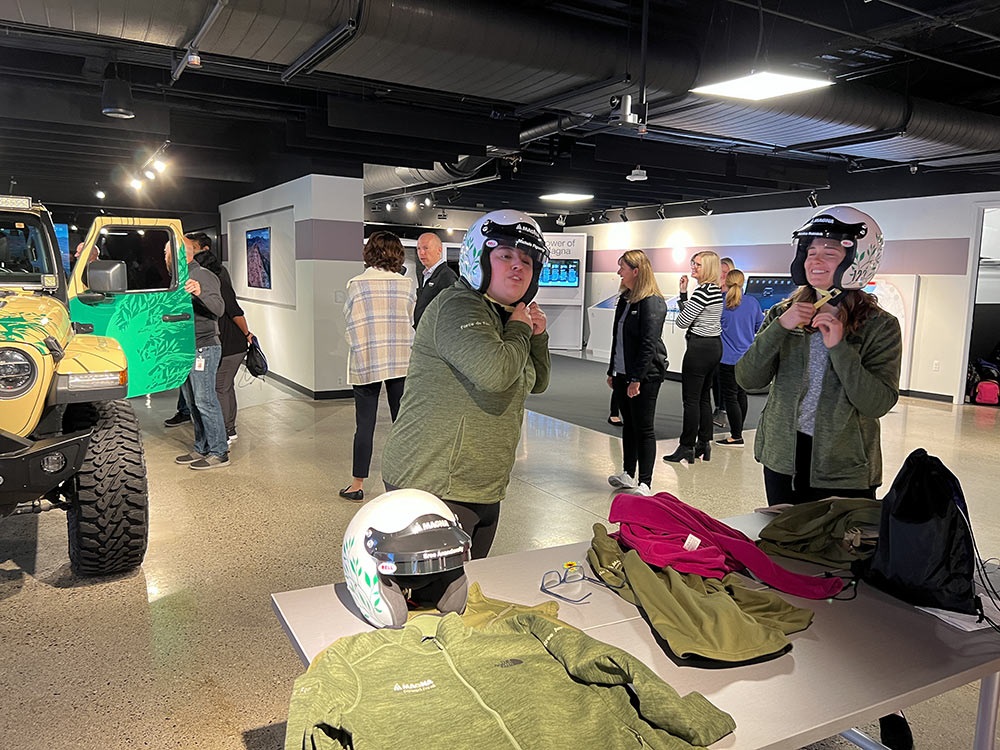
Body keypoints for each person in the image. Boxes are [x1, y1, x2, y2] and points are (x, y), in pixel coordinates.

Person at [735, 205, 907, 749]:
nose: (817, 260)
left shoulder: (880, 326)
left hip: (844, 472)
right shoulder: (787, 311)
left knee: (854, 593)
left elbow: (876, 402)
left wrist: (840, 348)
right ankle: (800, 683)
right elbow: (746, 378)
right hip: (784, 463)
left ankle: (883, 701)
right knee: (787, 572)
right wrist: (778, 330)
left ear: (857, 259)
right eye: (811, 251)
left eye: (830, 251)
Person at [381, 209, 550, 559]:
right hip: (434, 483)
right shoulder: (459, 306)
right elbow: (496, 373)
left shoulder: (501, 316)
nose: (518, 266)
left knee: (463, 597)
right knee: (432, 605)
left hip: (480, 484)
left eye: (526, 260)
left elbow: (536, 381)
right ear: (480, 258)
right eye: (505, 256)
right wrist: (520, 328)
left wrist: (537, 335)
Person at [340, 231, 416, 502]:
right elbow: (410, 320)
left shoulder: (356, 284)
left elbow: (351, 323)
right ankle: (408, 480)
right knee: (404, 423)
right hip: (400, 359)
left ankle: (357, 484)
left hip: (366, 360)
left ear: (369, 252)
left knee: (365, 425)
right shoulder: (406, 285)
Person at [606, 250, 669, 496]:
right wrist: (613, 369)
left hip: (645, 376)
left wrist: (636, 378)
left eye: (622, 267)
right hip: (622, 373)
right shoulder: (625, 299)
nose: (618, 272)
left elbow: (648, 344)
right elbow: (617, 338)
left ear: (636, 271)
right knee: (629, 425)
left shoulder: (652, 302)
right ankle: (628, 473)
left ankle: (646, 481)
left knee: (644, 428)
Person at [188, 233, 254, 444]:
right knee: (224, 387)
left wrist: (247, 334)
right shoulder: (219, 282)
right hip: (229, 344)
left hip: (230, 344)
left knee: (219, 388)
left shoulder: (215, 285)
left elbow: (234, 312)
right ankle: (229, 429)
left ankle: (224, 433)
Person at [171, 236, 230, 470]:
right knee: (192, 401)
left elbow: (219, 308)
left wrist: (200, 292)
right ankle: (202, 447)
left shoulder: (202, 275)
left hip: (204, 347)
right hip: (187, 348)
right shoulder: (179, 278)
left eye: (168, 252)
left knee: (205, 400)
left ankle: (219, 451)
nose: (165, 257)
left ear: (182, 255)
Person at [663, 251, 723, 464]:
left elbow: (682, 321)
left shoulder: (702, 292)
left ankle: (686, 446)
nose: (693, 268)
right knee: (703, 398)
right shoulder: (714, 290)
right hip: (714, 346)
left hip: (699, 348)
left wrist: (683, 298)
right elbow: (690, 315)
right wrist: (683, 295)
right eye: (693, 263)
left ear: (707, 268)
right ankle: (703, 443)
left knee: (690, 400)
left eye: (697, 265)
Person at [716, 268, 763, 446]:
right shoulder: (752, 302)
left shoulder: (722, 303)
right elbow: (760, 326)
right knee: (741, 394)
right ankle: (739, 430)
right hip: (747, 357)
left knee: (730, 397)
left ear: (726, 282)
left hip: (727, 359)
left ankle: (736, 435)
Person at [413, 231, 459, 327]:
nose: (421, 252)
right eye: (418, 248)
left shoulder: (447, 277)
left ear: (439, 250)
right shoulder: (425, 275)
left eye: (426, 248)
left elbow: (452, 311)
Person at [711, 256, 735, 426]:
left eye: (725, 273)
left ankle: (723, 411)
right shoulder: (713, 294)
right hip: (713, 346)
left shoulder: (732, 298)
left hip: (728, 348)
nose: (721, 276)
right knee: (715, 380)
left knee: (726, 382)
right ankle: (719, 408)